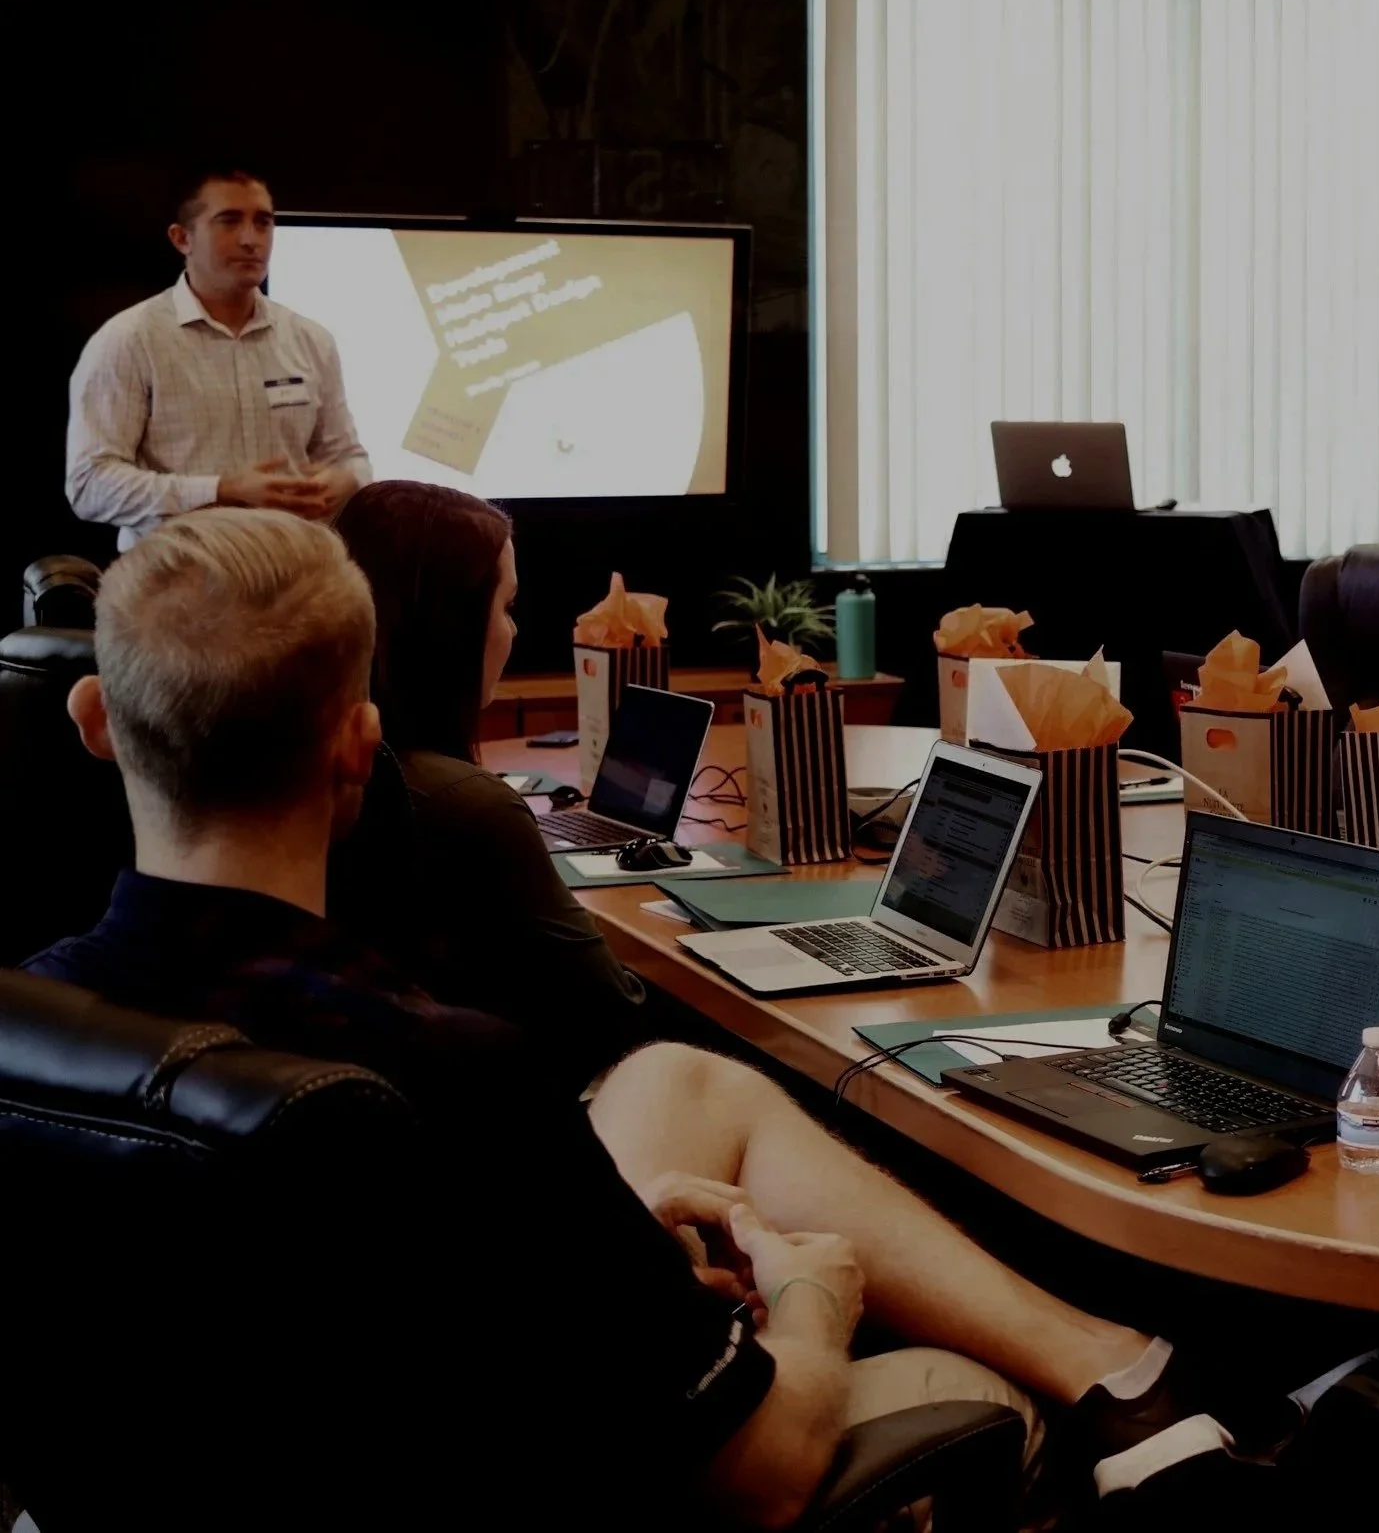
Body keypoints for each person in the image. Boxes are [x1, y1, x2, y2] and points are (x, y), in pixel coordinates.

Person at [28, 509, 1252, 1525]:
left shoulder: (32, 1021)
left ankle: (1119, 1360)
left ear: (93, 721)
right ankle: (1130, 1403)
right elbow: (762, 1473)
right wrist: (815, 1290)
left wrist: (604, 1245)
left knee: (684, 1078)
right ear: (359, 750)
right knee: (972, 1390)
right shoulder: (450, 1073)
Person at [327, 480, 647, 1079]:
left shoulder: (313, 769)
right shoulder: (466, 806)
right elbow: (613, 1018)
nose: (513, 631)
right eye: (505, 607)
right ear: (449, 624)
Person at [65, 166, 369, 551]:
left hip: (296, 576)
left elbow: (350, 458)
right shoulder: (129, 341)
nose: (250, 239)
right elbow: (89, 484)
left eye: (263, 223)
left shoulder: (310, 339)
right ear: (182, 238)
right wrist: (222, 490)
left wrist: (344, 480)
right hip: (178, 580)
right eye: (229, 222)